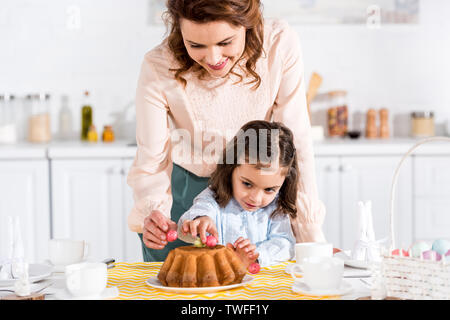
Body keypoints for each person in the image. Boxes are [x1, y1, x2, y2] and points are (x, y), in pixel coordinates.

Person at [127, 0, 326, 262]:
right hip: (187, 197)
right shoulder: (159, 65)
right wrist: (153, 212)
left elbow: (296, 141)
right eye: (196, 45)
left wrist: (309, 231)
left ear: (247, 22)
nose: (213, 58)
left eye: (225, 43)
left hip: (258, 192)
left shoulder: (279, 45)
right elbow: (151, 156)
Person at [178, 121, 297, 268]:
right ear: (231, 167)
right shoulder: (213, 198)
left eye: (269, 190)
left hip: (260, 286)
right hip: (218, 285)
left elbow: (285, 243)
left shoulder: (276, 206)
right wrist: (199, 220)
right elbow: (193, 220)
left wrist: (256, 256)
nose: (255, 198)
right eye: (247, 184)